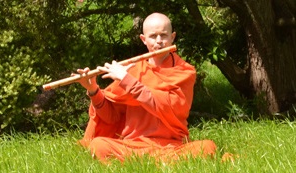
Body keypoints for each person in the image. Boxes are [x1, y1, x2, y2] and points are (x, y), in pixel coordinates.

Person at [73, 12, 217, 164]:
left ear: (173, 37)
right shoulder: (133, 69)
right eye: (153, 36)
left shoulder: (185, 71)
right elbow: (111, 117)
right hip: (133, 146)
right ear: (144, 39)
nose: (159, 41)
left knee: (207, 147)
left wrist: (126, 80)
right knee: (99, 145)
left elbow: (171, 107)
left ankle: (145, 163)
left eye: (164, 35)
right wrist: (93, 90)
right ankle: (158, 163)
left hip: (170, 146)